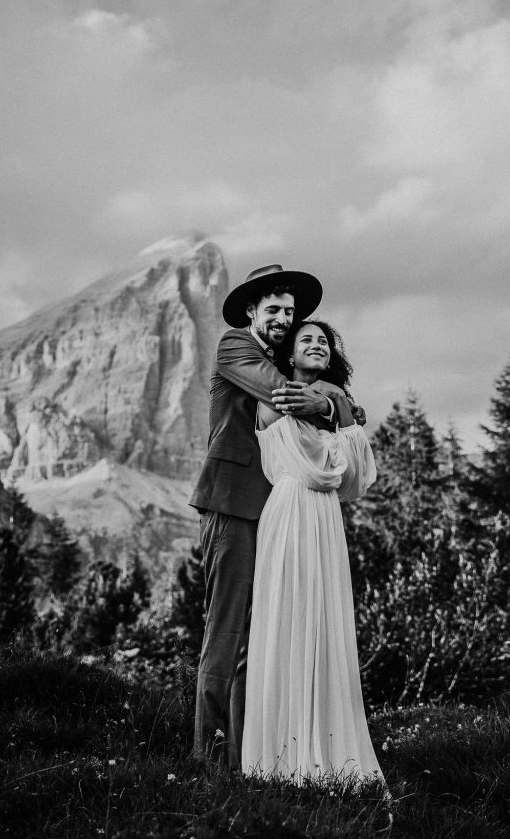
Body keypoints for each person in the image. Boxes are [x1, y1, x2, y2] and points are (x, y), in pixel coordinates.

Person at [191, 265, 357, 767]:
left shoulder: (282, 357)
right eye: (275, 310)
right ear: (251, 311)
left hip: (279, 512)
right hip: (233, 504)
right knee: (226, 635)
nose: (284, 318)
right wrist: (339, 401)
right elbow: (284, 393)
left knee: (260, 641)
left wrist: (331, 401)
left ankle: (249, 759)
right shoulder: (235, 347)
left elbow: (308, 398)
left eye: (290, 311)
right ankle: (209, 764)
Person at [242, 319, 384, 787]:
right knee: (290, 619)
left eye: (323, 341)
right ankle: (284, 761)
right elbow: (318, 468)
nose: (317, 345)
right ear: (289, 356)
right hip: (291, 509)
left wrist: (335, 401)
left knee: (326, 625)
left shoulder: (333, 403)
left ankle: (329, 754)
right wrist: (336, 404)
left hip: (326, 520)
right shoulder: (274, 398)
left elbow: (357, 476)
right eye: (306, 340)